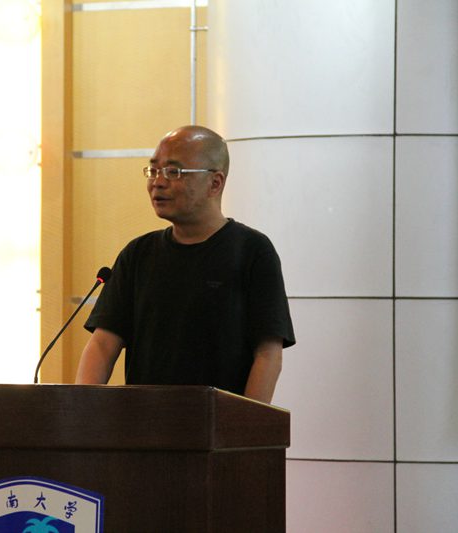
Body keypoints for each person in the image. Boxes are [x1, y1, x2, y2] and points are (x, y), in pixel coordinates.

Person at [75, 125, 295, 403]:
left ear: (215, 183)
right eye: (154, 170)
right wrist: (81, 409)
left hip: (218, 424)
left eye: (174, 172)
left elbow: (268, 354)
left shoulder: (252, 251)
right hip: (144, 422)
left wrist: (246, 422)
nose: (158, 182)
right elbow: (103, 345)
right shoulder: (138, 254)